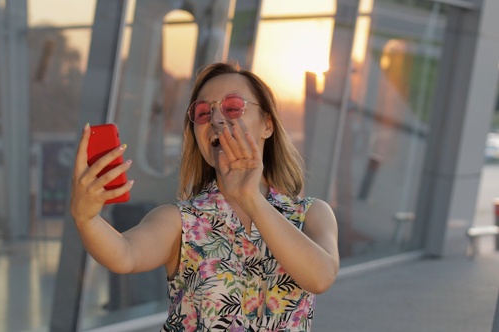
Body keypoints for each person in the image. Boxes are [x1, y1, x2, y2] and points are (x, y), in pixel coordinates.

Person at [70, 62, 339, 331]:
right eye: (202, 112)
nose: (217, 119)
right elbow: (125, 255)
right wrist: (86, 219)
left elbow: (320, 277)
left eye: (233, 107)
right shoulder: (180, 221)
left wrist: (250, 198)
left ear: (267, 124)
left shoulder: (311, 214)